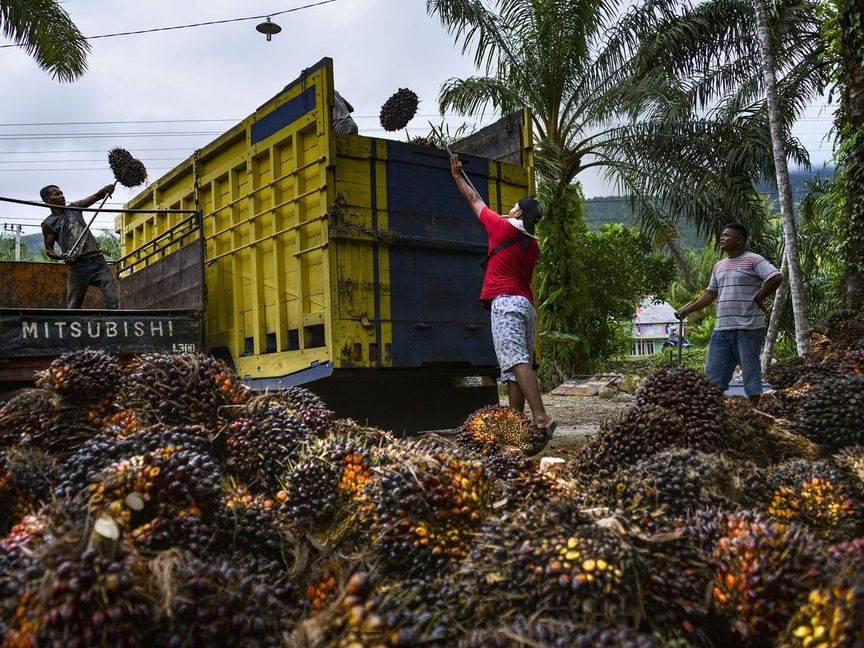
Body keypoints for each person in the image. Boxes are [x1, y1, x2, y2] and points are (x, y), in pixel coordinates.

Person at [450, 153, 556, 442]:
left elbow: (475, 201)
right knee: (513, 370)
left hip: (506, 303)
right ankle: (517, 428)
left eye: (513, 208)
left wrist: (458, 176)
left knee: (515, 361)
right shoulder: (533, 245)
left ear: (519, 214)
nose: (508, 209)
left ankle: (541, 417)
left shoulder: (502, 226)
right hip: (526, 306)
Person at [675, 223, 782, 404]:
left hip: (748, 327)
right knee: (713, 376)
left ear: (739, 240)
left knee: (750, 374)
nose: (722, 238)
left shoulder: (754, 260)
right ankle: (715, 412)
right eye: (722, 235)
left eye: (727, 235)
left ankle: (755, 413)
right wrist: (687, 309)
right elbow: (710, 294)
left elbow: (775, 277)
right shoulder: (719, 266)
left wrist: (760, 297)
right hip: (722, 329)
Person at [40, 183, 119, 309]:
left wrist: (105, 190)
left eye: (62, 193)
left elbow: (97, 196)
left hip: (97, 261)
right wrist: (62, 256)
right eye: (57, 194)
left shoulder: (74, 207)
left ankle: (115, 324)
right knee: (73, 305)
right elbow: (49, 251)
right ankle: (70, 326)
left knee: (113, 298)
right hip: (77, 265)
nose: (62, 196)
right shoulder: (48, 224)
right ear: (46, 200)